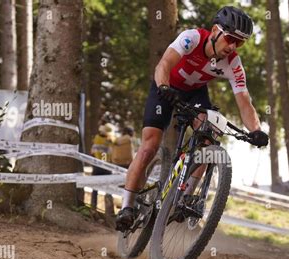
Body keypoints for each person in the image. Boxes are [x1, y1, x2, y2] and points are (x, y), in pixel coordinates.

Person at [115, 6, 269, 231]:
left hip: (195, 93)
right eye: (230, 38)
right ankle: (127, 207)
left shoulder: (233, 63)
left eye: (240, 42)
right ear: (215, 31)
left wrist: (256, 129)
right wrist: (164, 87)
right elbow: (164, 65)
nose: (233, 46)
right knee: (150, 146)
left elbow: (245, 101)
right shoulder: (192, 38)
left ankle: (186, 197)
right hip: (165, 87)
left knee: (210, 133)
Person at [90, 124, 112, 209]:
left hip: (96, 166)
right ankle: (110, 209)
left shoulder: (96, 139)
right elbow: (110, 154)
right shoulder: (108, 141)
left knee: (95, 188)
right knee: (109, 189)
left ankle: (93, 207)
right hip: (106, 167)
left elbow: (92, 152)